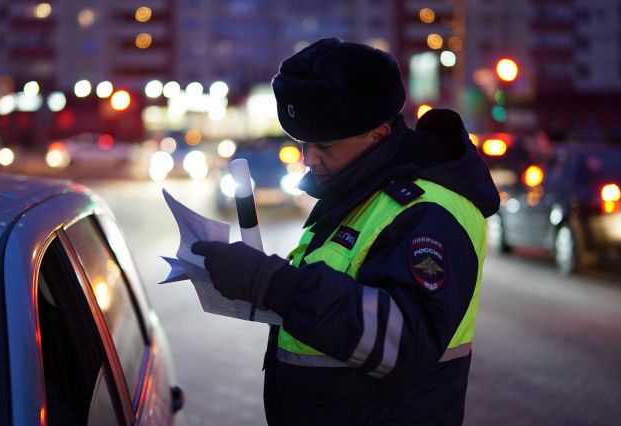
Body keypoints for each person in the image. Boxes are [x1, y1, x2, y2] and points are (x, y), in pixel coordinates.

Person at [192, 37, 500, 425]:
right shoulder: (358, 189)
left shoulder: (428, 210)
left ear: (379, 135)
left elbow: (403, 340)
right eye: (302, 142)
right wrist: (254, 282)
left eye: (323, 145)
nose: (308, 158)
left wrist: (273, 283)